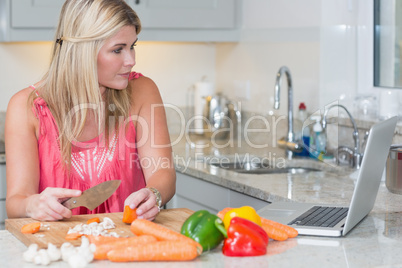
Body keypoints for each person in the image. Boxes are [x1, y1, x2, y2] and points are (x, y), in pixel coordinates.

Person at [5, 0, 175, 221]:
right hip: (59, 247)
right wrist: (32, 205)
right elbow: (16, 202)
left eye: (132, 46)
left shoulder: (143, 91)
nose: (131, 60)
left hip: (129, 242)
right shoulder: (26, 107)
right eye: (118, 50)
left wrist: (154, 194)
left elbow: (163, 172)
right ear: (82, 52)